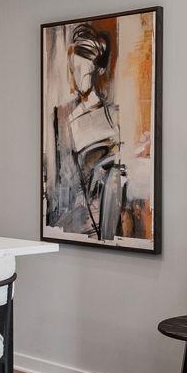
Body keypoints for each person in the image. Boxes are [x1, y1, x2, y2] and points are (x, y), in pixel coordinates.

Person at [46, 22, 128, 241]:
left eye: (84, 71)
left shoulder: (114, 117)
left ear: (98, 70)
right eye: (74, 70)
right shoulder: (62, 115)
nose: (77, 78)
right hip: (68, 222)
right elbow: (58, 177)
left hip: (101, 224)